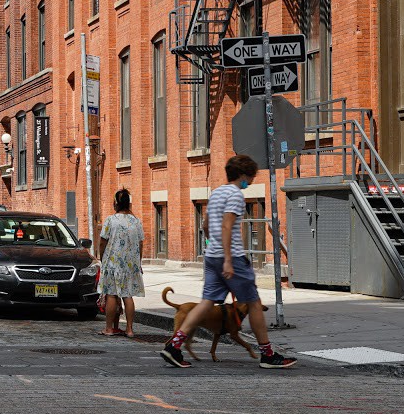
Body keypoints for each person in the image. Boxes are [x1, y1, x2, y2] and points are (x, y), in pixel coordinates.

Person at [161, 154, 296, 369]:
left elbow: (206, 224)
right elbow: (226, 226)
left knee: (206, 303)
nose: (251, 181)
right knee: (253, 303)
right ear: (242, 175)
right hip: (230, 257)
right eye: (250, 177)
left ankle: (174, 347)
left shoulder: (216, 193)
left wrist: (213, 247)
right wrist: (228, 260)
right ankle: (268, 355)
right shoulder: (235, 195)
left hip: (212, 255)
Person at [98, 188, 145, 337]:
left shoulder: (111, 220)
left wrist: (101, 257)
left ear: (116, 203)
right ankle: (130, 329)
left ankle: (109, 328)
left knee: (111, 294)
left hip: (113, 263)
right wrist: (139, 262)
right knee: (128, 295)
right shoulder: (136, 221)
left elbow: (103, 241)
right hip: (131, 264)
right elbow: (141, 243)